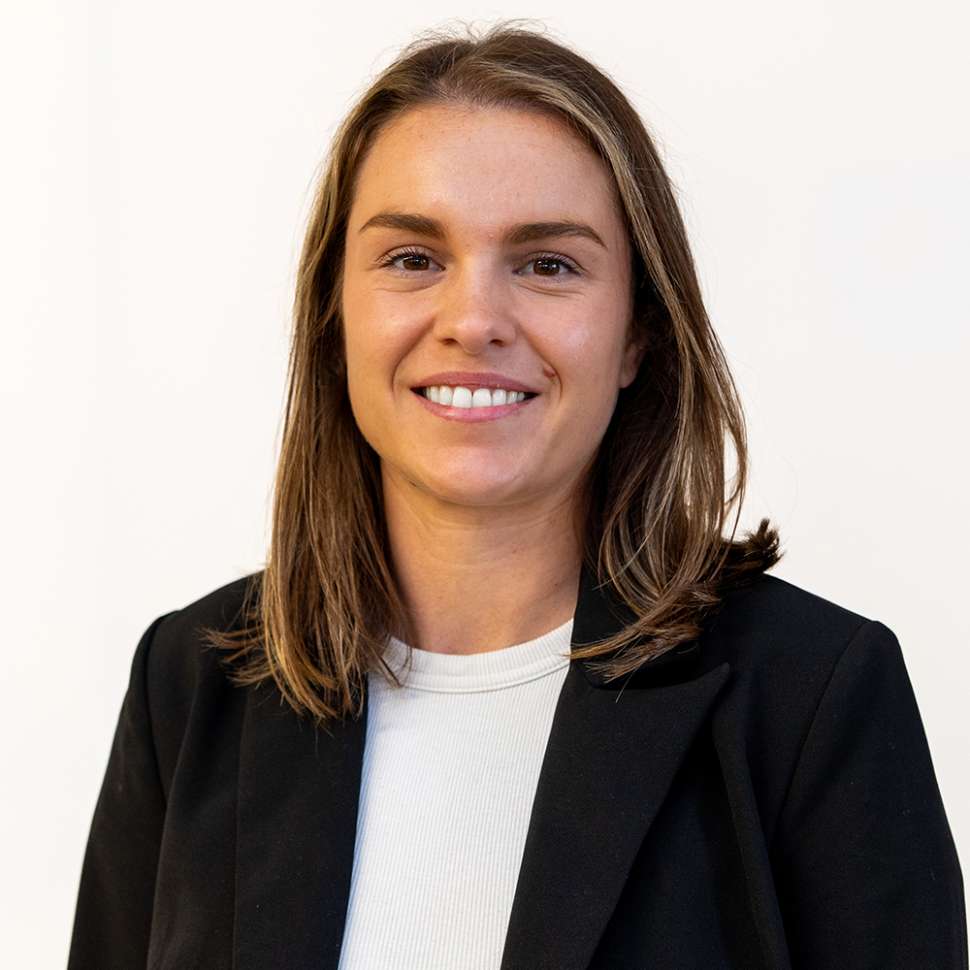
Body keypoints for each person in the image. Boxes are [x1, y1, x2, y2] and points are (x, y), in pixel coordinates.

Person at [67, 20, 967, 970]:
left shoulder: (813, 697)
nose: (473, 321)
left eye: (548, 264)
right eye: (413, 259)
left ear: (637, 335)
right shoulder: (191, 684)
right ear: (335, 315)